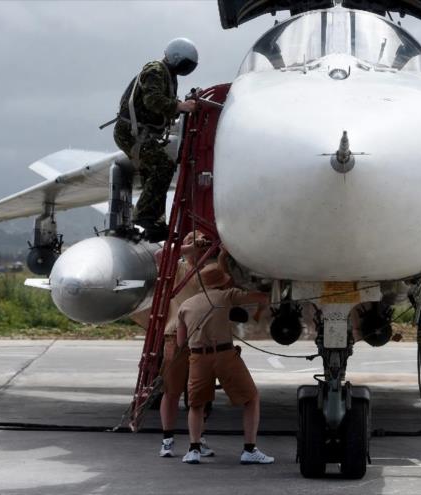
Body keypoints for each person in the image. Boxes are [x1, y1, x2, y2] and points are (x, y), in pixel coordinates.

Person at [175, 252, 274, 465]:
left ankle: (193, 449)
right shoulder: (227, 296)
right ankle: (249, 449)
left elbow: (180, 343)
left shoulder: (186, 306)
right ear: (222, 283)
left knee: (196, 405)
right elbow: (262, 298)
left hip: (197, 358)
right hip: (224, 355)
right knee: (251, 398)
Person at [114, 38, 199, 242]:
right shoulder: (156, 70)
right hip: (131, 133)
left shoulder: (169, 75)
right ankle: (144, 215)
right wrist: (181, 106)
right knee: (163, 166)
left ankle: (155, 225)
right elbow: (152, 101)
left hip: (143, 134)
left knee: (152, 173)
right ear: (176, 58)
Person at [154, 230, 215, 458]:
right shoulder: (176, 268)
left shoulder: (212, 271)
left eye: (201, 241)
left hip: (205, 339)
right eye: (190, 242)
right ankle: (168, 439)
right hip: (175, 337)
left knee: (201, 395)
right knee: (172, 391)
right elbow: (161, 255)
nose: (196, 245)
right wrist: (191, 246)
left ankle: (198, 438)